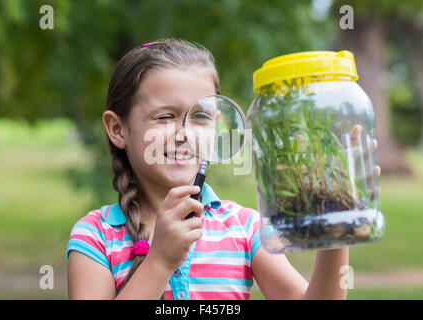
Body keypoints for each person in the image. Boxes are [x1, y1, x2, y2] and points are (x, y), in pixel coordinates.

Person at [66, 38, 379, 300]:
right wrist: (160, 260)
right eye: (164, 117)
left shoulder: (243, 228)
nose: (184, 133)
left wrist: (339, 219)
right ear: (118, 129)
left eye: (200, 117)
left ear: (217, 126)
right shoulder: (95, 237)